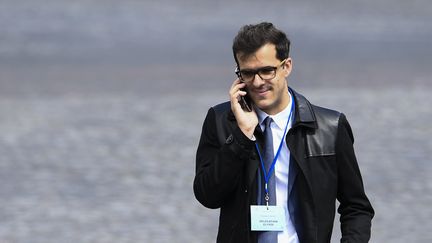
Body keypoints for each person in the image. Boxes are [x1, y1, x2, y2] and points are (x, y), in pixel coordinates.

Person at [193, 22, 374, 243]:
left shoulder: (330, 128)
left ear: (286, 66)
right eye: (248, 73)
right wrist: (242, 136)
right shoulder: (220, 121)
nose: (258, 82)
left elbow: (356, 207)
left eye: (267, 71)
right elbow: (208, 196)